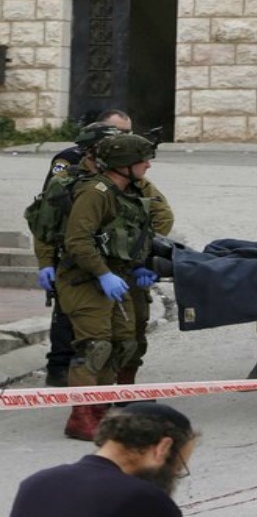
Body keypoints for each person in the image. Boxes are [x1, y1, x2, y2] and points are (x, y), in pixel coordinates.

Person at [34, 112, 174, 389]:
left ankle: (115, 394)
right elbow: (49, 225)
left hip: (125, 269)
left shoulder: (131, 181)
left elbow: (160, 217)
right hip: (81, 270)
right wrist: (46, 262)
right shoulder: (74, 182)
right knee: (87, 338)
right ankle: (76, 394)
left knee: (127, 338)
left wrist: (143, 257)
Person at [56, 134, 161, 440]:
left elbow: (132, 234)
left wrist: (139, 265)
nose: (148, 165)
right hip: (84, 279)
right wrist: (103, 273)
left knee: (121, 344)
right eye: (143, 160)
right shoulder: (96, 192)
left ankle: (100, 410)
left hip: (116, 277)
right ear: (124, 164)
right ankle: (80, 417)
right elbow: (78, 240)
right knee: (95, 347)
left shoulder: (126, 191)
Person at [10, 403, 197, 517]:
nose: (173, 477)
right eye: (177, 469)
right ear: (163, 448)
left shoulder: (36, 483)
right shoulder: (144, 498)